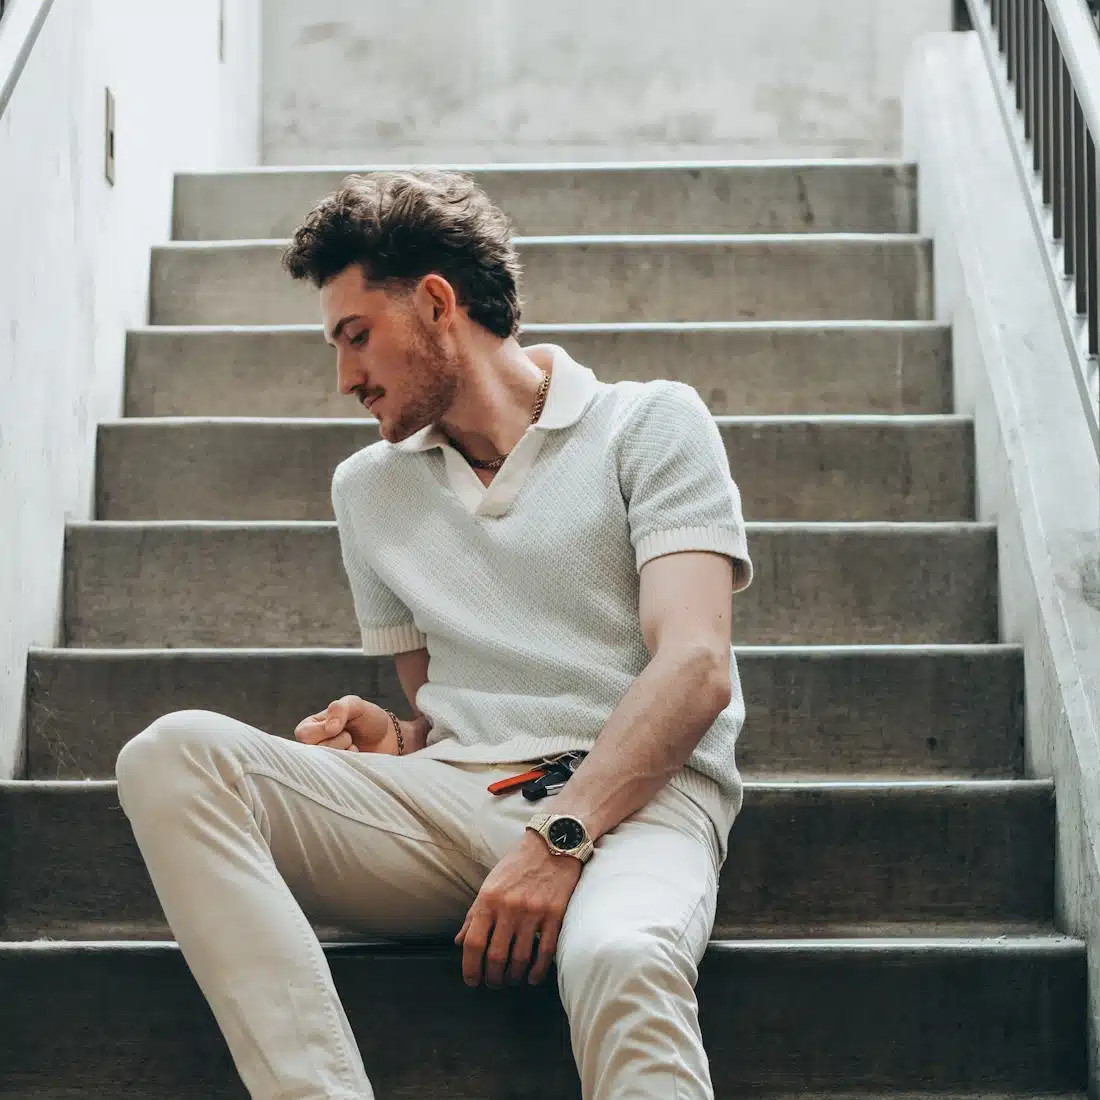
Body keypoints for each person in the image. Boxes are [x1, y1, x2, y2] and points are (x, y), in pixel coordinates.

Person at [115, 168, 754, 1100]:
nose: (345, 379)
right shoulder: (365, 488)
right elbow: (445, 705)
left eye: (356, 335)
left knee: (618, 958)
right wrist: (401, 742)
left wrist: (557, 839)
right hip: (457, 798)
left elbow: (696, 667)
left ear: (438, 303)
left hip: (638, 807)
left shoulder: (650, 424)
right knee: (171, 755)